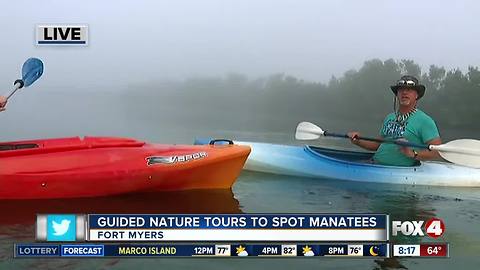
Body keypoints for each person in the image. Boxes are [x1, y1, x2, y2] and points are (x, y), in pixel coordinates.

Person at [348, 75, 442, 166]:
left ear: (416, 95)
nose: (404, 92)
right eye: (401, 89)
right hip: (374, 163)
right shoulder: (390, 117)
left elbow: (437, 151)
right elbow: (377, 145)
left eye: (409, 90)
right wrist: (357, 140)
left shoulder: (425, 121)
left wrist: (413, 153)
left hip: (398, 172)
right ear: (397, 94)